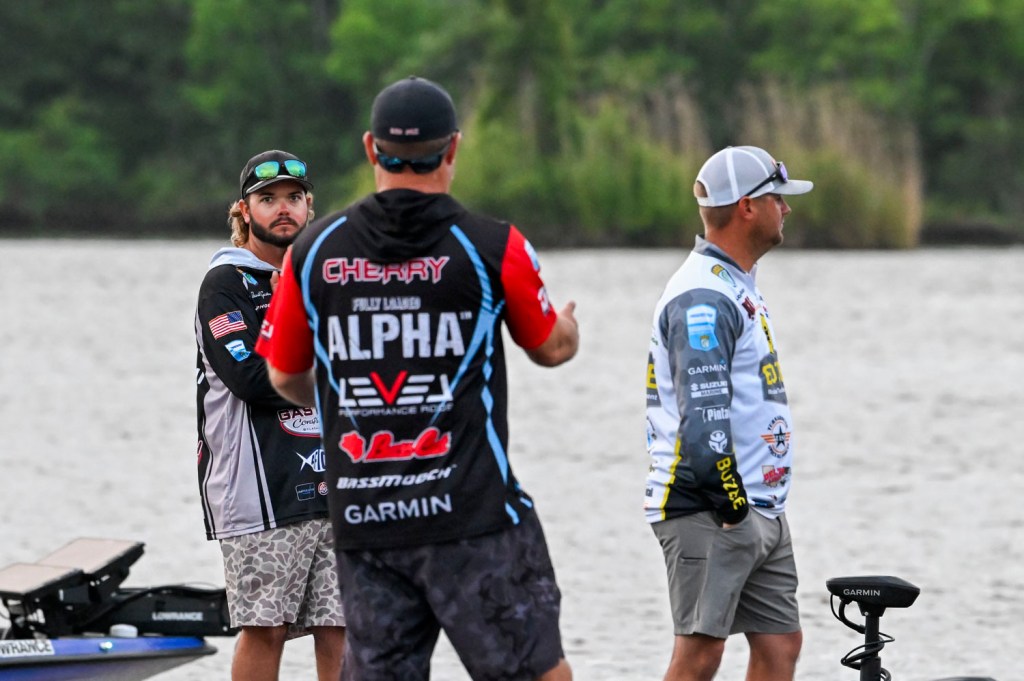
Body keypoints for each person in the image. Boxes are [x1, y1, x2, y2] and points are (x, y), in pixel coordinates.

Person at [255, 76, 579, 681]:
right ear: (453, 148)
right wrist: (568, 327)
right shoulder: (493, 245)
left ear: (371, 149)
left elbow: (285, 374)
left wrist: (345, 393)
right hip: (473, 518)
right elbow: (549, 349)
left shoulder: (312, 251)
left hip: (365, 519)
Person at [643, 145, 812, 681]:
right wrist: (732, 505)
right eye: (777, 199)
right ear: (747, 207)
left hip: (760, 506)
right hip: (711, 506)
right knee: (700, 655)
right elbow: (702, 419)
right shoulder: (703, 295)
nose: (786, 208)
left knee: (781, 645)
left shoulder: (736, 282)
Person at [194, 150, 345, 681]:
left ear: (309, 206)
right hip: (257, 490)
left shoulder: (324, 279)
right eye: (268, 198)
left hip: (334, 482)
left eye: (293, 198)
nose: (283, 208)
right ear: (244, 210)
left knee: (342, 625)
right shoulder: (225, 284)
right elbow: (253, 380)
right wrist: (289, 316)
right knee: (266, 627)